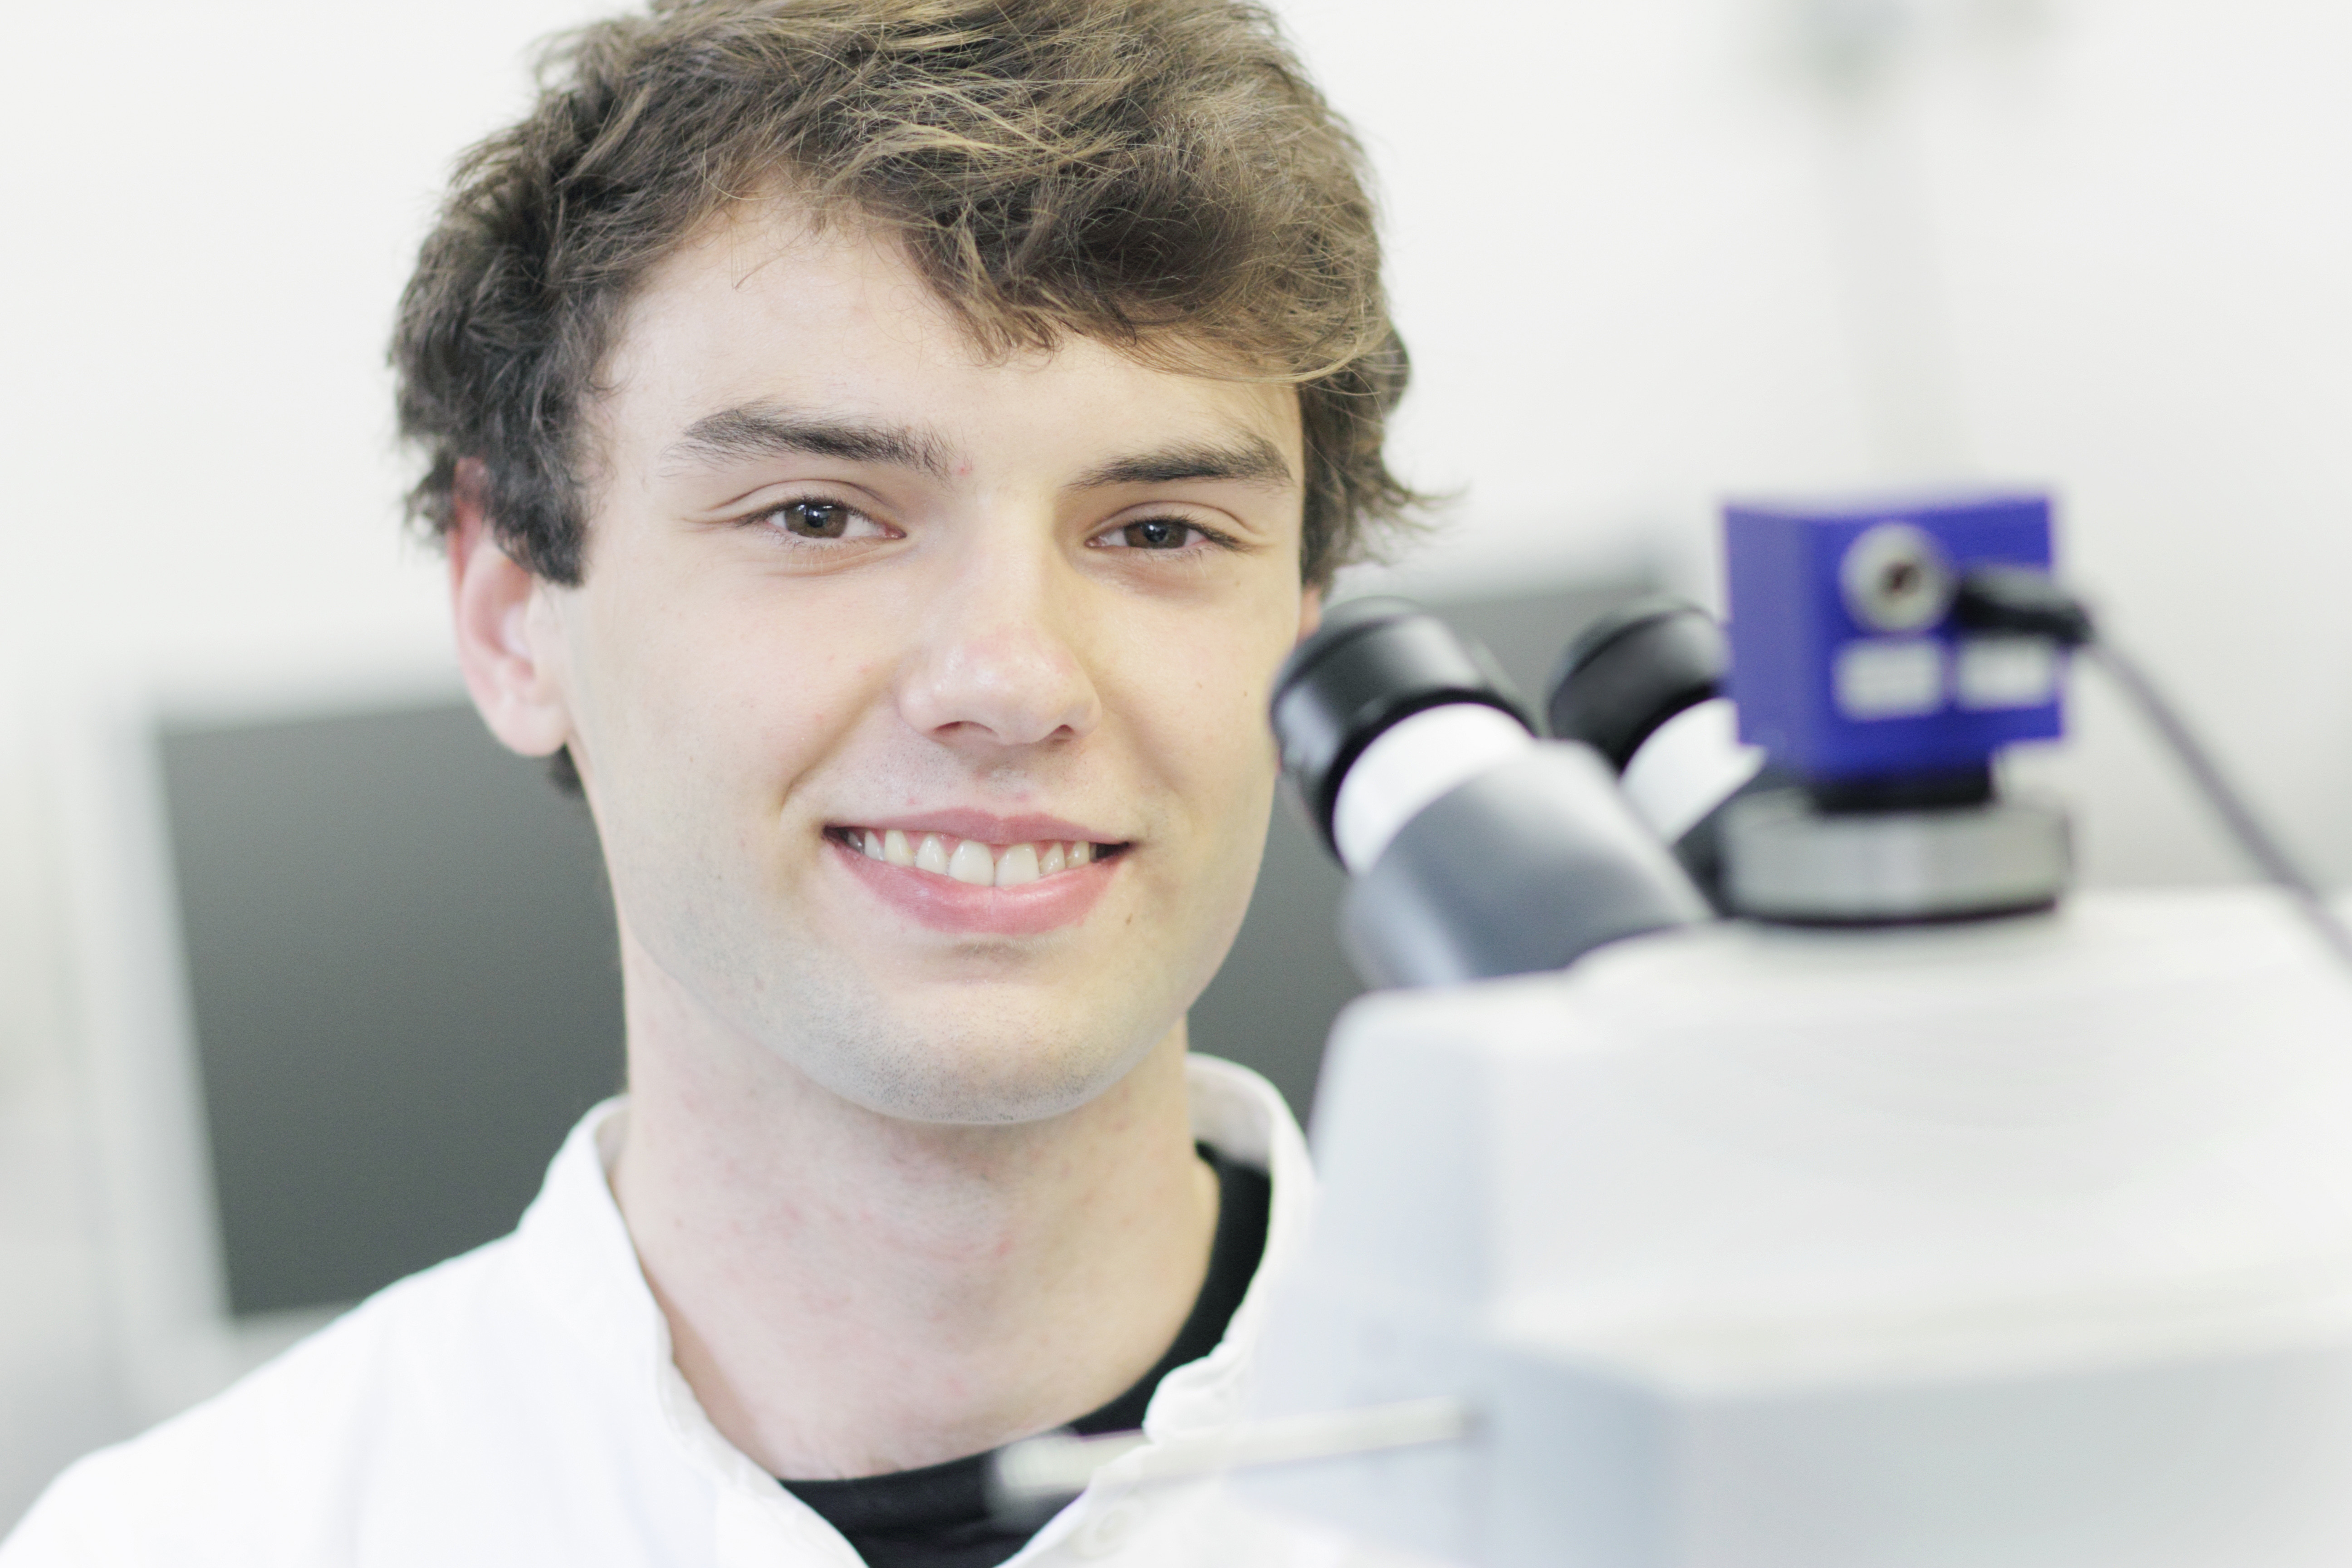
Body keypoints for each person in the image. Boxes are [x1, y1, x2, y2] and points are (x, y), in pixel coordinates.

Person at [3, 1, 1421, 1562]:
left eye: (1159, 531)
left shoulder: (1672, 1486)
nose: (1012, 681)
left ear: (1298, 637)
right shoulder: (186, 1543)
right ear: (509, 613)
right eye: (819, 515)